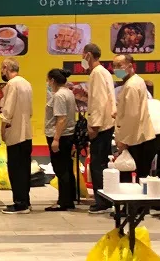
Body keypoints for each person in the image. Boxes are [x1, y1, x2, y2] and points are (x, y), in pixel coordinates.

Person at [114, 54, 158, 182]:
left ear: (130, 66)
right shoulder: (136, 81)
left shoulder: (131, 85)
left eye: (119, 66)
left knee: (133, 177)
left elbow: (132, 115)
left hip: (136, 139)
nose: (116, 69)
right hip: (140, 136)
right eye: (114, 66)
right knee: (141, 176)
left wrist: (124, 140)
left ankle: (133, 202)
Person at [83, 44, 116, 213]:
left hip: (101, 126)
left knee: (97, 165)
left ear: (88, 55)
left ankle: (101, 201)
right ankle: (104, 199)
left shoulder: (96, 73)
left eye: (83, 55)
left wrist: (94, 126)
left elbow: (98, 101)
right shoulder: (104, 72)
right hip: (107, 123)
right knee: (101, 164)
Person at [0, 58, 33, 214]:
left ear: (6, 68)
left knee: (15, 169)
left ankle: (20, 203)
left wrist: (3, 129)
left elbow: (7, 111)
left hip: (15, 133)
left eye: (1, 68)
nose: (1, 72)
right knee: (24, 169)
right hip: (27, 132)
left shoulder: (12, 84)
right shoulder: (26, 83)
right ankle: (25, 200)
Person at [45, 68, 76, 211]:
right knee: (67, 168)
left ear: (52, 80)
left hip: (60, 136)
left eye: (48, 80)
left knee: (61, 168)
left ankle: (63, 201)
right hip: (68, 135)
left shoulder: (59, 96)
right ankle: (69, 198)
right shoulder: (69, 92)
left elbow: (61, 118)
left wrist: (56, 139)